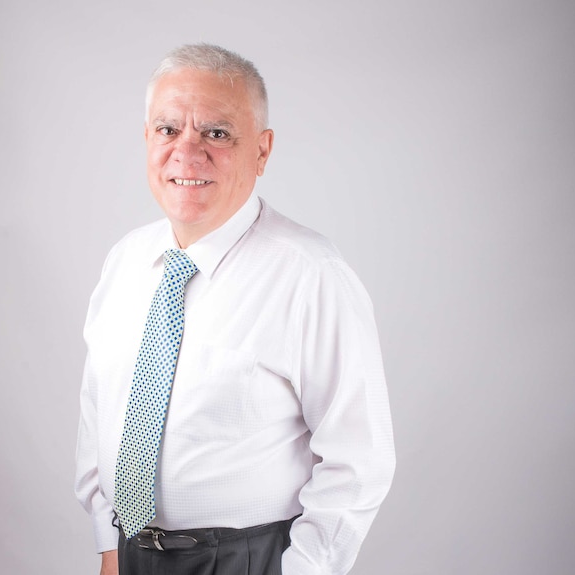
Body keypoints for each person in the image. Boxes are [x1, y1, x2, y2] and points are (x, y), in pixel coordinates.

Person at [75, 43, 395, 575]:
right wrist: (107, 543)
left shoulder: (311, 275)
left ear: (263, 151)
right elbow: (99, 408)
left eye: (217, 133)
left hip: (247, 560)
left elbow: (360, 460)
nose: (187, 153)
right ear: (147, 140)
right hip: (129, 554)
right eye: (168, 130)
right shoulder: (126, 260)